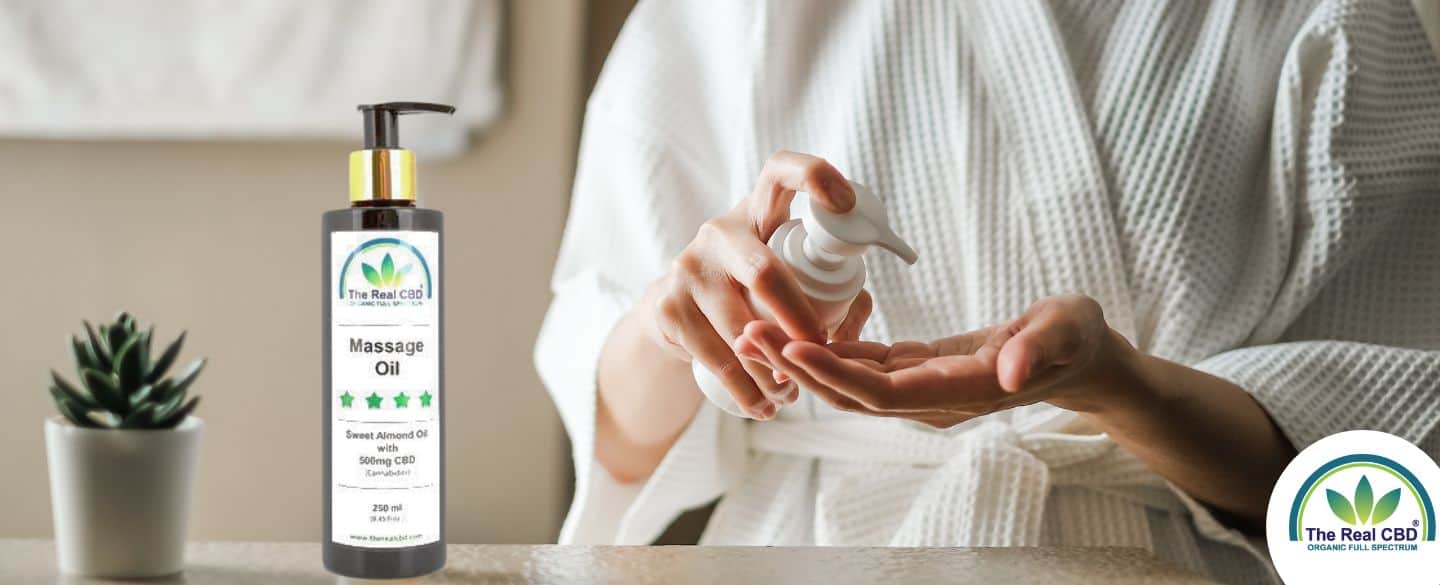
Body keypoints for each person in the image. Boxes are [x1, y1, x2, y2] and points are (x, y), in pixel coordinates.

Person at [535, 1, 1440, 582]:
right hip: (812, 554)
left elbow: (1378, 466)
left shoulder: (1336, 18)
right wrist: (675, 330)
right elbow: (614, 444)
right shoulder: (725, 17)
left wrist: (1120, 387)